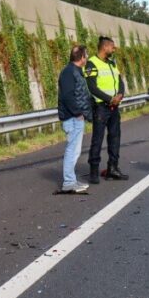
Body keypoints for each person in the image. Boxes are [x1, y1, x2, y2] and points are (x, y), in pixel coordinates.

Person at [85, 36, 128, 184]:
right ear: (104, 47)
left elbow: (120, 81)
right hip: (101, 108)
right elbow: (92, 87)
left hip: (114, 107)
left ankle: (113, 169)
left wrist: (120, 94)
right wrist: (110, 98)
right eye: (112, 47)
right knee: (97, 139)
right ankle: (94, 171)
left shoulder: (112, 63)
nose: (114, 49)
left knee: (115, 138)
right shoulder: (91, 63)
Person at [57, 45, 92, 193]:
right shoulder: (69, 72)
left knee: (75, 151)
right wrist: (78, 113)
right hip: (72, 118)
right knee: (72, 150)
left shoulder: (75, 71)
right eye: (87, 55)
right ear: (82, 57)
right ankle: (69, 183)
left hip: (76, 117)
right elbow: (67, 96)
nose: (87, 58)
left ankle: (72, 180)